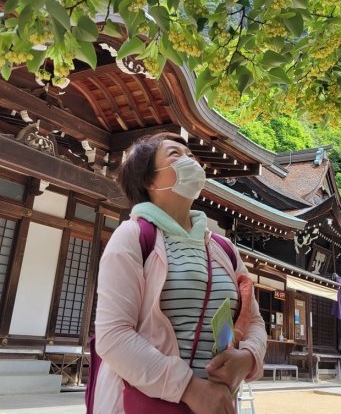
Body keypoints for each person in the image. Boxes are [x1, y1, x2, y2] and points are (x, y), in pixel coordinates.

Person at [93, 132, 267, 413]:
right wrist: (191, 389)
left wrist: (248, 357)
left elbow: (255, 320)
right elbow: (113, 335)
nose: (190, 161)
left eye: (192, 155)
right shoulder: (134, 236)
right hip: (146, 403)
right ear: (149, 179)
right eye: (175, 154)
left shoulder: (224, 248)